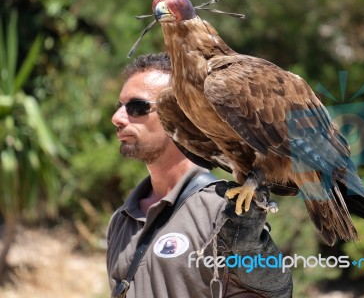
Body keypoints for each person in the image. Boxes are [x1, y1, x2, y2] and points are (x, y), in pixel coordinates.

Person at [107, 52, 293, 298]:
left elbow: (272, 292)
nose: (117, 118)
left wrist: (270, 282)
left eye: (136, 107)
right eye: (119, 106)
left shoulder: (223, 210)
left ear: (180, 113)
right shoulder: (121, 219)